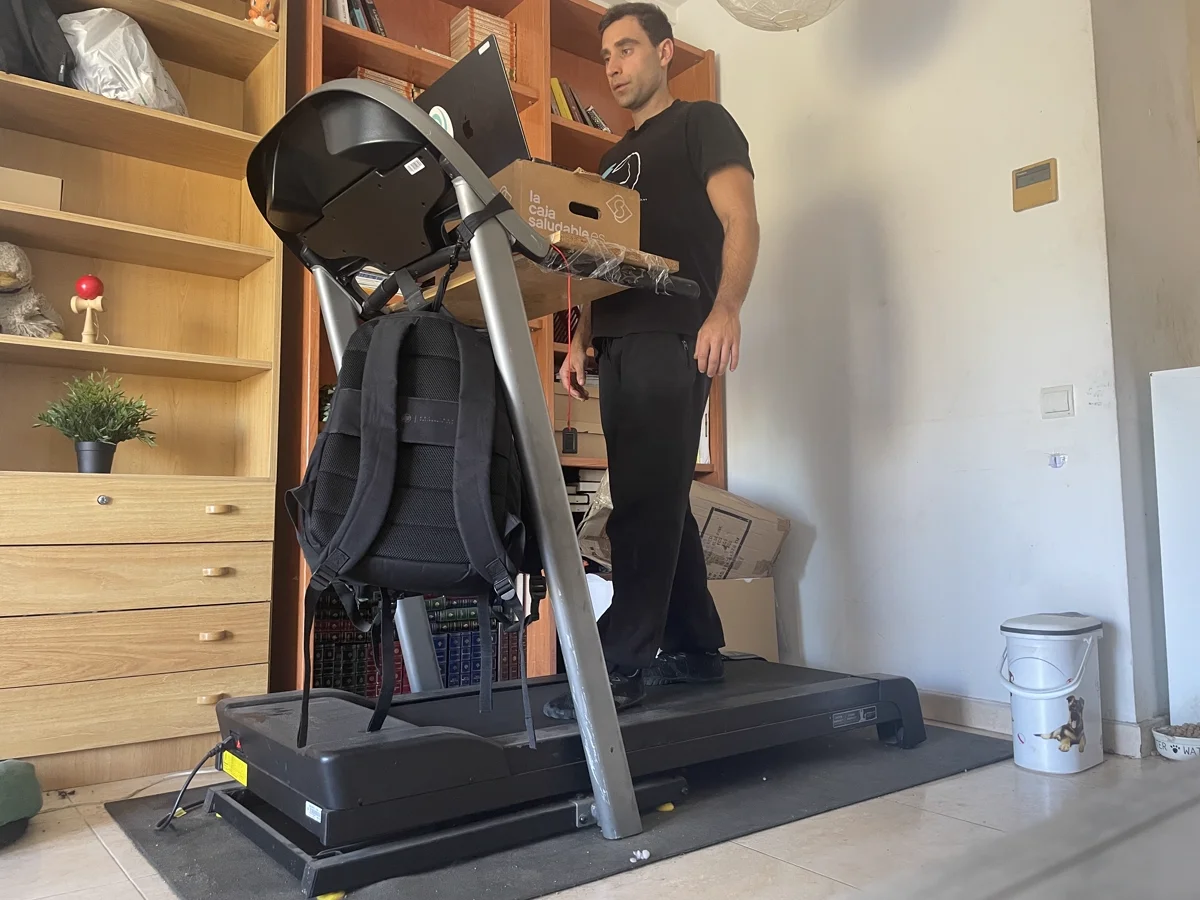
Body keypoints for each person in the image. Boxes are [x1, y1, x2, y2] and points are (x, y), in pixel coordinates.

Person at [544, 2, 759, 719]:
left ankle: (619, 662)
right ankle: (696, 645)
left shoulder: (702, 124)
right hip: (619, 340)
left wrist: (724, 309)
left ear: (665, 53)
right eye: (606, 54)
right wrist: (580, 338)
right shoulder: (608, 158)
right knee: (660, 491)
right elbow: (607, 261)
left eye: (627, 49)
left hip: (677, 328)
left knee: (640, 497)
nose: (612, 65)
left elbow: (741, 220)